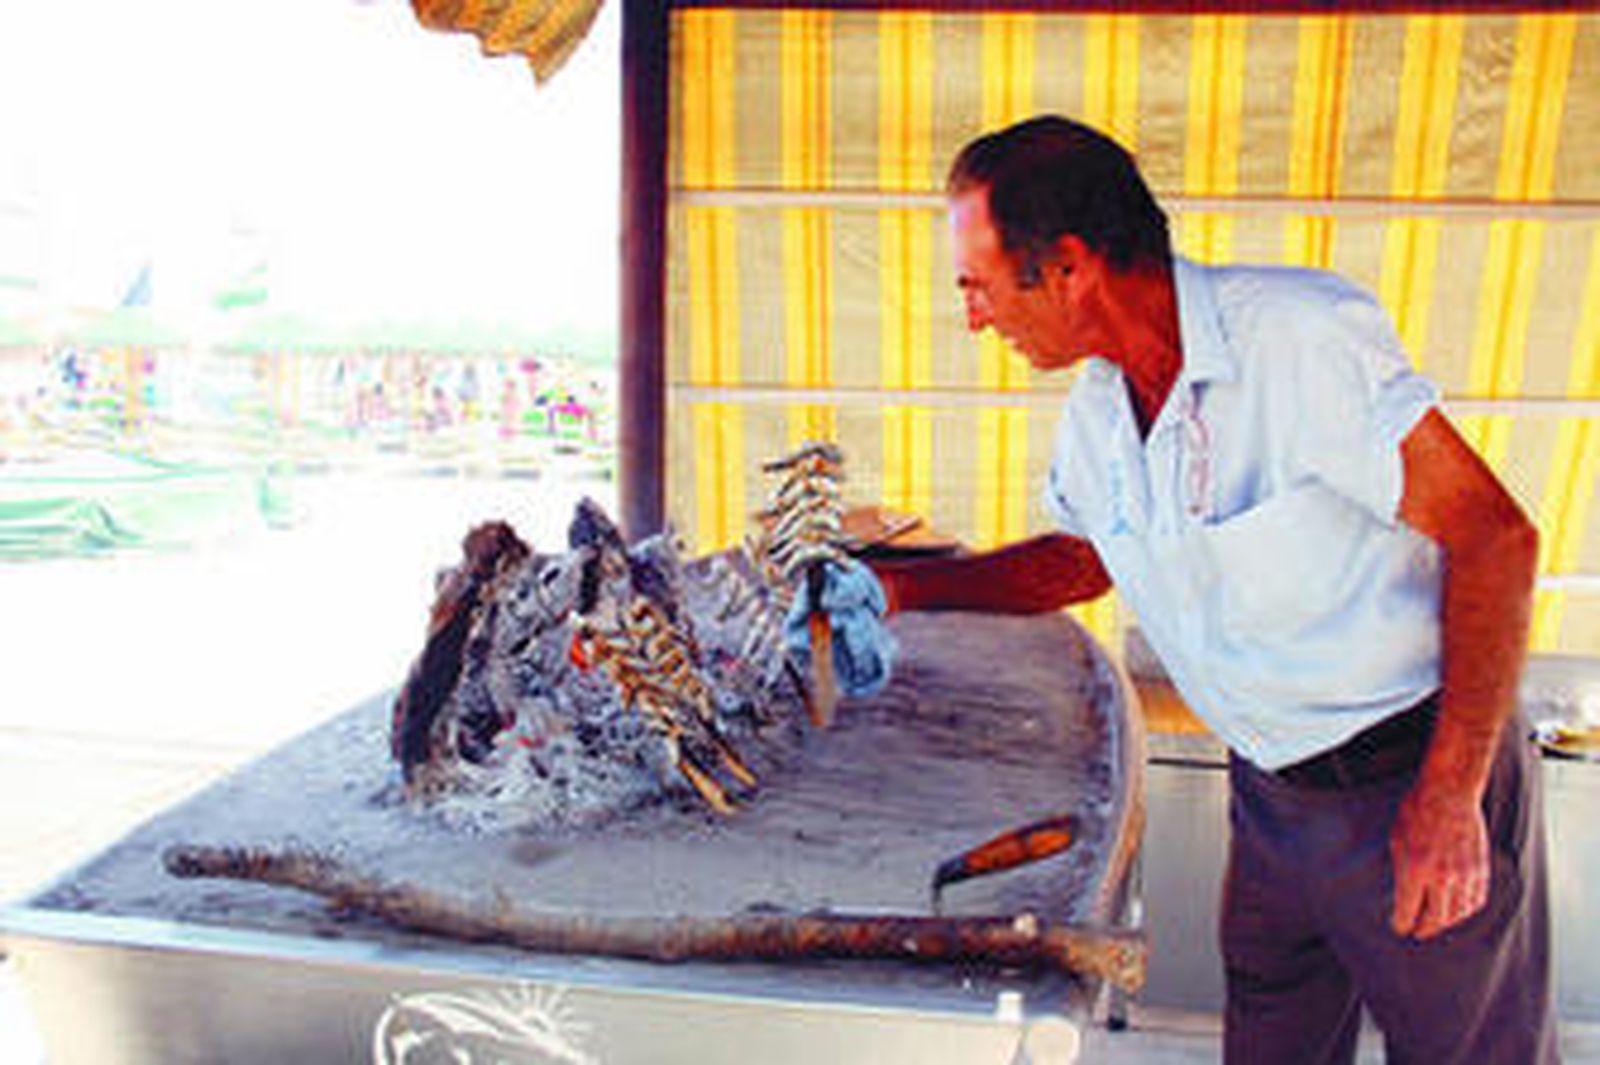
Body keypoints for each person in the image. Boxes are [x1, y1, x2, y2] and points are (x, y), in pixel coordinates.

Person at [868, 115, 1556, 1063]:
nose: (975, 316)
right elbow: (1080, 559)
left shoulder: (1295, 339)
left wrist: (1450, 799)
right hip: (1271, 796)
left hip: (1412, 773)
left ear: (1068, 268)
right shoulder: (1100, 412)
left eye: (978, 286)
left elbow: (1497, 537)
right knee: (1271, 1043)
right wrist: (903, 587)